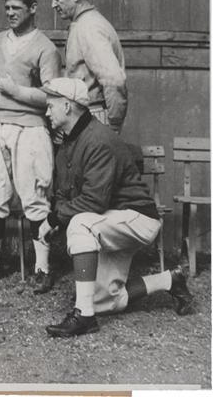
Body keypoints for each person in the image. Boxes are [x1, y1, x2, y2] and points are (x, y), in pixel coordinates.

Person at [38, 77, 194, 338]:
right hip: (110, 220)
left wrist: (54, 219)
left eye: (50, 105)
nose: (46, 111)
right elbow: (65, 194)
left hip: (137, 218)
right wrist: (58, 216)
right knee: (105, 301)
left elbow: (93, 201)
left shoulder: (99, 139)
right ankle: (170, 279)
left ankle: (84, 318)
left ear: (67, 106)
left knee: (80, 223)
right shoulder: (67, 143)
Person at [0, 0, 62, 293]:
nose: (10, 13)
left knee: (34, 197)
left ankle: (42, 268)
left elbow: (53, 96)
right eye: (7, 8)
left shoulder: (46, 48)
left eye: (17, 8)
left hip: (30, 129)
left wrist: (16, 92)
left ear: (33, 9)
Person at [41, 0, 127, 134]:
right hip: (84, 116)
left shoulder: (89, 27)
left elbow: (114, 80)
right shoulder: (83, 23)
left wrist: (113, 127)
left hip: (93, 117)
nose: (53, 5)